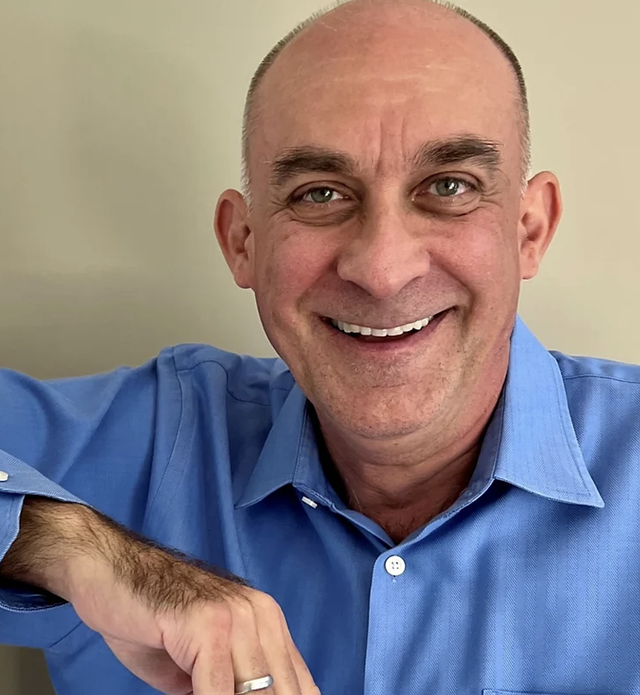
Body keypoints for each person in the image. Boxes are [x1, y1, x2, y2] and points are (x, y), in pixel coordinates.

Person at [0, 0, 639, 694]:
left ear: (529, 228)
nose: (383, 269)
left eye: (449, 187)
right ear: (243, 242)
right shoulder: (156, 437)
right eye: (320, 194)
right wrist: (71, 547)